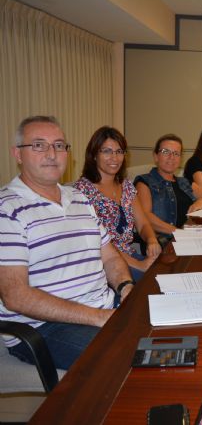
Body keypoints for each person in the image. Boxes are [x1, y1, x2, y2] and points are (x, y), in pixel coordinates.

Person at [0, 116, 133, 370]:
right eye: (39, 145)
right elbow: (15, 296)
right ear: (18, 154)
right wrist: (98, 317)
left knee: (166, 333)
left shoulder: (80, 198)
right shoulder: (7, 208)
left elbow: (111, 257)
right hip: (42, 326)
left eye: (59, 145)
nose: (52, 154)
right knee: (126, 358)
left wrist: (125, 287)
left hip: (102, 307)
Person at [75, 126, 161, 281]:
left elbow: (142, 225)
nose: (114, 157)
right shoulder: (82, 192)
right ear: (94, 154)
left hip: (130, 255)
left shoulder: (126, 185)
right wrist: (139, 265)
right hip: (105, 265)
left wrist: (152, 240)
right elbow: (100, 245)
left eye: (119, 151)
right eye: (107, 151)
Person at [134, 134, 202, 240]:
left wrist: (201, 201)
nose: (171, 157)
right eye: (166, 152)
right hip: (164, 244)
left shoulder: (183, 182)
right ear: (155, 156)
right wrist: (179, 233)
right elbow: (144, 217)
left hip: (190, 236)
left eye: (176, 153)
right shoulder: (144, 182)